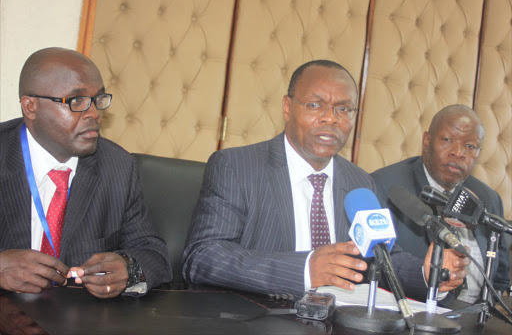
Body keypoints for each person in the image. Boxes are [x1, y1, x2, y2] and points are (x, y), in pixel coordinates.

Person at [183, 60, 468, 300]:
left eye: (343, 109)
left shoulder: (360, 181)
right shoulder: (236, 167)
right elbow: (203, 256)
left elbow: (384, 257)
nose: (330, 119)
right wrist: (305, 270)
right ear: (287, 108)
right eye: (315, 105)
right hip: (258, 317)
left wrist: (426, 274)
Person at [0, 47, 172, 298]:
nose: (94, 113)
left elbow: (153, 254)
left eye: (98, 99)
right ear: (31, 107)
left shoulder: (117, 167)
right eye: (76, 101)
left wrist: (128, 268)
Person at [372, 105, 510, 303]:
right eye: (447, 140)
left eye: (470, 146)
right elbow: (379, 265)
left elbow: (501, 279)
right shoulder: (387, 187)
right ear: (427, 141)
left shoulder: (489, 199)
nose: (458, 152)